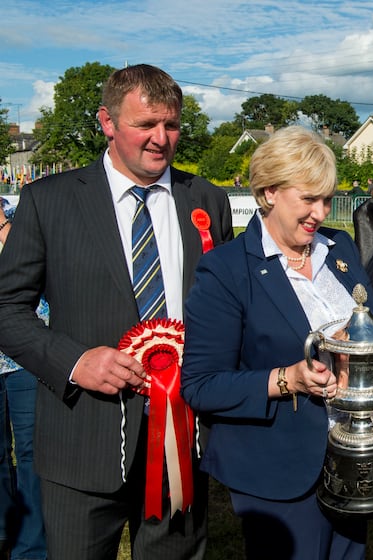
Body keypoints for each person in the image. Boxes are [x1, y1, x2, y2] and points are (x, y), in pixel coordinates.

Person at [0, 64, 233, 560]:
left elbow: (228, 309)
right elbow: (5, 309)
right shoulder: (49, 201)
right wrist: (73, 361)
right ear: (107, 121)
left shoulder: (207, 200)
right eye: (144, 125)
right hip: (81, 440)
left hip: (182, 444)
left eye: (170, 125)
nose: (160, 139)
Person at [180, 126, 373, 560]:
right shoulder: (226, 270)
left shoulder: (340, 248)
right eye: (308, 198)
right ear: (269, 191)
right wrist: (287, 379)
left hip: (354, 460)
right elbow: (201, 384)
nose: (320, 212)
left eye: (327, 199)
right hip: (279, 472)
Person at [0, 209, 47, 560]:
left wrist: (3, 226)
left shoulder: (19, 217)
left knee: (32, 452)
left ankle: (31, 548)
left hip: (24, 353)